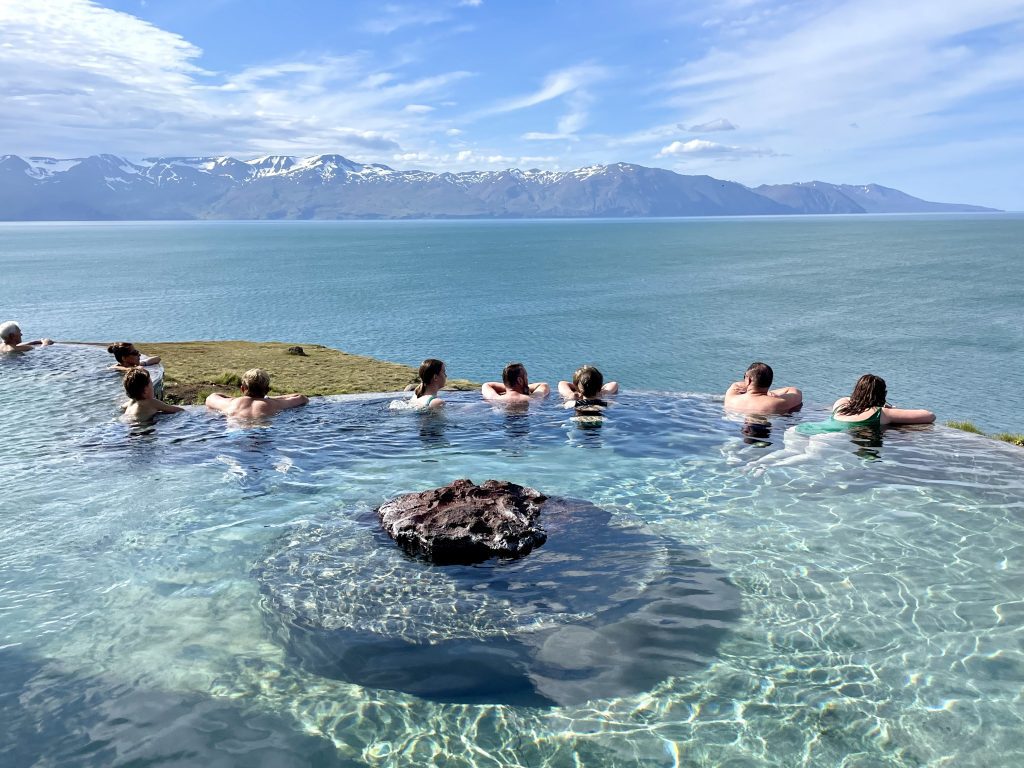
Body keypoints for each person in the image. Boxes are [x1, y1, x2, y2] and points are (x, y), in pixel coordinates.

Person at [796, 373, 934, 435]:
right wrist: (889, 407)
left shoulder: (841, 404)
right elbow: (929, 416)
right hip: (826, 438)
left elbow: (851, 399)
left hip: (802, 429)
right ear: (882, 394)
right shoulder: (880, 412)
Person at [205, 368, 309, 418]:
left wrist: (235, 398)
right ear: (267, 390)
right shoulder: (274, 404)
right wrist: (269, 398)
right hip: (263, 432)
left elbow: (210, 397)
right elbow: (302, 398)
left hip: (235, 435)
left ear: (242, 388)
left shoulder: (231, 403)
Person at [724, 362, 803, 415]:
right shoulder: (777, 403)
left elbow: (736, 385)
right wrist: (769, 393)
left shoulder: (731, 398)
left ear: (748, 380)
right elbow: (796, 392)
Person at [481, 362, 550, 405]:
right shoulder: (533, 399)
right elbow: (543, 385)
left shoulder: (495, 398)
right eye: (526, 377)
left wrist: (508, 386)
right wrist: (525, 387)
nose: (527, 379)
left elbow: (486, 385)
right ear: (520, 380)